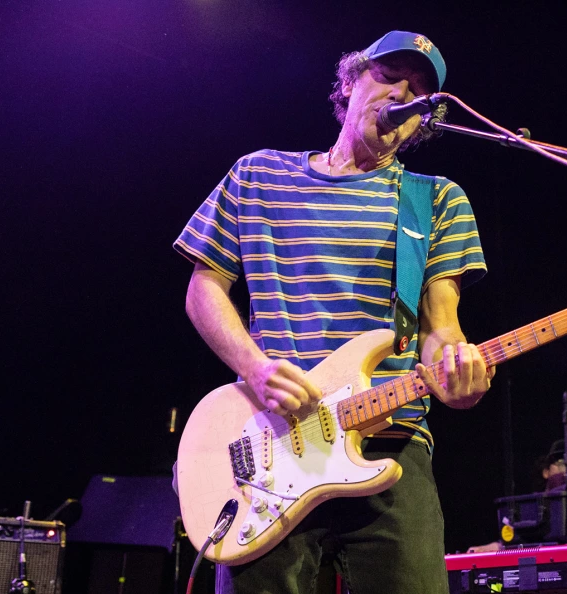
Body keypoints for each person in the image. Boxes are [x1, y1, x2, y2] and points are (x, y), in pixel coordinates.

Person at [174, 31, 492, 594]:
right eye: (391, 76)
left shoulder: (436, 199)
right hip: (269, 447)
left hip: (392, 442)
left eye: (419, 91)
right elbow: (204, 290)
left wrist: (460, 373)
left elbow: (441, 332)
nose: (403, 94)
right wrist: (256, 367)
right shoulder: (258, 175)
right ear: (350, 82)